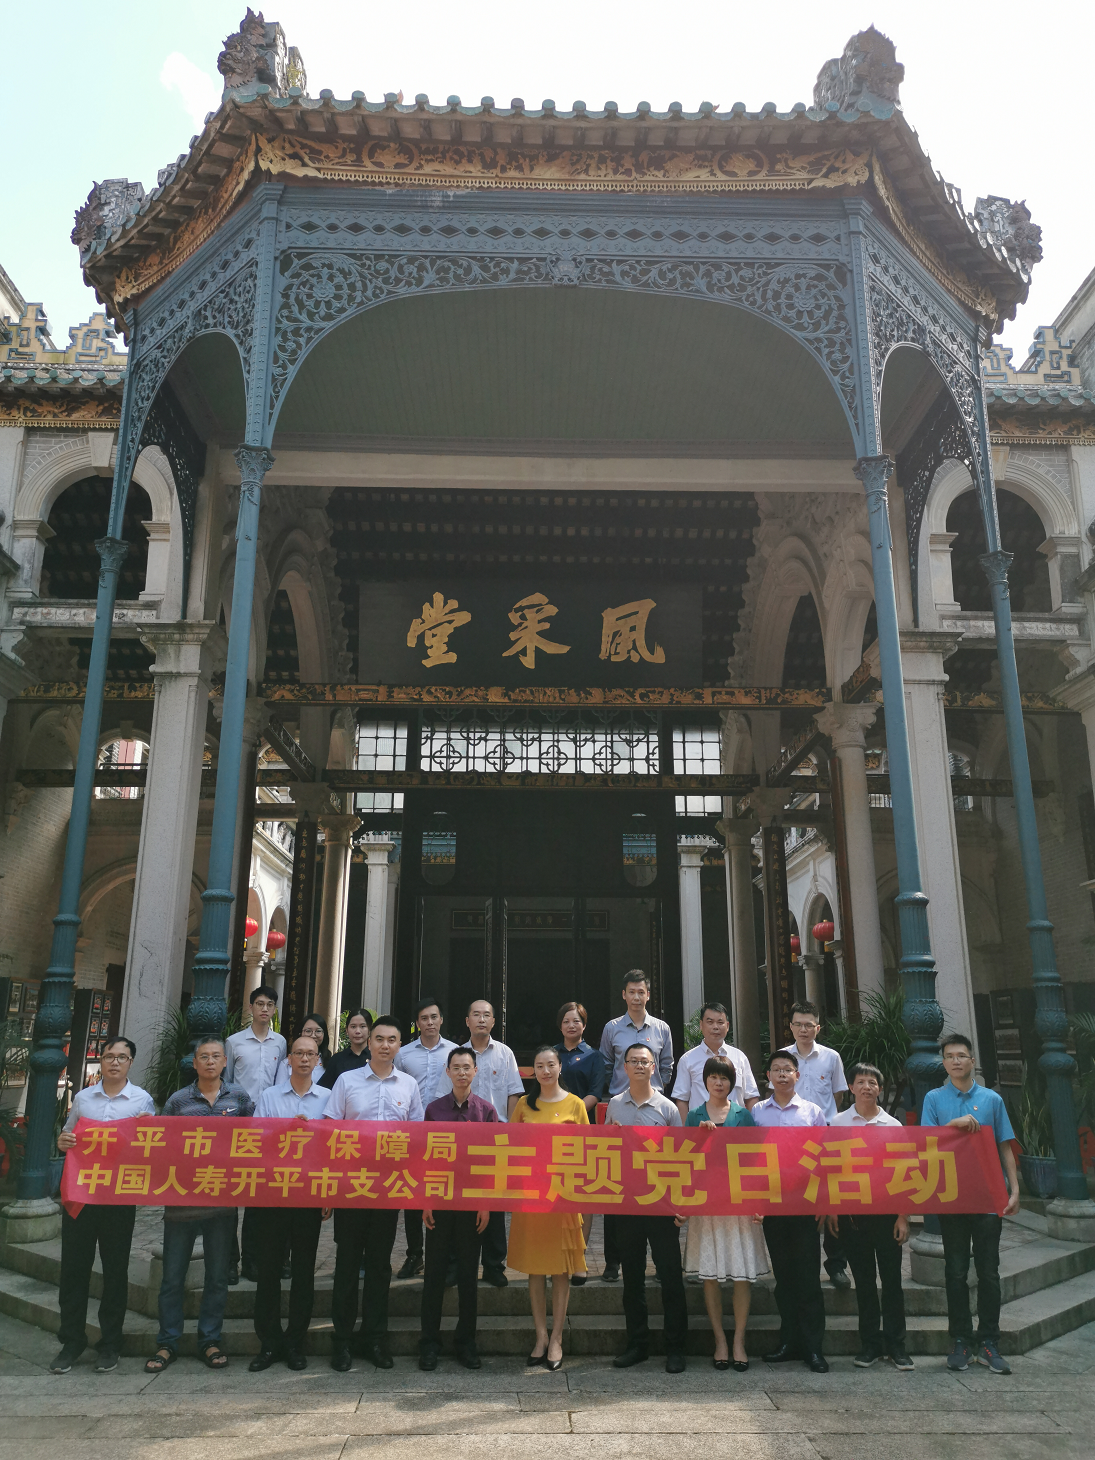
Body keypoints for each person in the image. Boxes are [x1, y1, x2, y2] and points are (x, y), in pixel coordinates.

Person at [144, 1037, 255, 1374]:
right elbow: (161, 1144)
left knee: (217, 1277)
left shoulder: (239, 1098)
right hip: (181, 1203)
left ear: (225, 1062)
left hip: (221, 1203)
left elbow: (256, 1140)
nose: (209, 1062)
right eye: (203, 1057)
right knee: (172, 1278)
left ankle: (210, 1339)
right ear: (194, 1063)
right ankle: (168, 1342)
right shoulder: (178, 1101)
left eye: (215, 1056)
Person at [49, 1036, 155, 1375]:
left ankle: (110, 1343)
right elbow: (68, 1137)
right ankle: (71, 1341)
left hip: (118, 1198)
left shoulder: (142, 1101)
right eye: (109, 1056)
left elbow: (150, 1147)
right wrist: (64, 1141)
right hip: (81, 1196)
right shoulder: (83, 1098)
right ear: (102, 1060)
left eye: (122, 1057)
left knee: (115, 1271)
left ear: (130, 1063)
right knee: (74, 1269)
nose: (114, 1062)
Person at [324, 1015, 423, 1371]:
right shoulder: (347, 1081)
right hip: (351, 1188)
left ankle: (375, 1339)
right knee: (347, 1264)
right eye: (379, 1038)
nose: (384, 1045)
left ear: (399, 1046)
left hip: (388, 1189)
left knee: (380, 1266)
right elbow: (330, 1133)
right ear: (369, 1043)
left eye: (391, 1040)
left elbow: (416, 1138)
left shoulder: (409, 1085)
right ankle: (342, 1341)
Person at [922, 1033, 1020, 1376]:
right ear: (944, 1062)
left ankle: (989, 1341)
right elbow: (926, 1143)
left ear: (972, 1061)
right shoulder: (934, 1099)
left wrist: (1014, 1190)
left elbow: (1004, 1145)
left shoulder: (992, 1099)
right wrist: (954, 1125)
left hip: (989, 1197)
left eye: (961, 1055)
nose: (956, 1061)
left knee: (989, 1272)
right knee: (956, 1271)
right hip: (952, 1197)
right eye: (950, 1056)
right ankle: (961, 1340)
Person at [250, 1034, 332, 1371]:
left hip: (309, 1194)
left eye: (310, 1054)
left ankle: (296, 1342)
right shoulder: (270, 1096)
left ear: (318, 1060)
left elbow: (333, 1147)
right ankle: (269, 1343)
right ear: (288, 1059)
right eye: (298, 1053)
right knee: (269, 1269)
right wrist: (285, 1130)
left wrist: (327, 1193)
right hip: (273, 1193)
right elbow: (255, 1140)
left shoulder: (328, 1098)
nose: (304, 1059)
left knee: (303, 1270)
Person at [606, 1042, 688, 1373]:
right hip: (627, 1203)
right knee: (632, 1277)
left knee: (670, 1275)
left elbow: (681, 1157)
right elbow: (607, 1152)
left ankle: (675, 1347)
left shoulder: (668, 1108)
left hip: (661, 1203)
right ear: (624, 1067)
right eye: (634, 1061)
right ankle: (637, 1344)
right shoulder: (615, 1105)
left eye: (645, 1061)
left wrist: (680, 1201)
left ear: (654, 1068)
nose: (639, 1066)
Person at [683, 1056, 769, 1371]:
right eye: (713, 1077)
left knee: (742, 1275)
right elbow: (686, 1162)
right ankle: (720, 1339)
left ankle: (739, 1341)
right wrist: (700, 1139)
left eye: (724, 1078)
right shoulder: (693, 1116)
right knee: (709, 1276)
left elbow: (754, 1160)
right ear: (704, 1081)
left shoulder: (743, 1115)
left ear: (732, 1083)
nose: (719, 1083)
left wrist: (759, 1202)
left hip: (738, 1204)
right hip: (707, 1205)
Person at [433, 997, 525, 1287]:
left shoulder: (505, 1053)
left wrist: (509, 1133)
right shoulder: (457, 1055)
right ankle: (455, 1265)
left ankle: (494, 1265)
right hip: (459, 1142)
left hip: (495, 1140)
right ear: (467, 1021)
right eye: (476, 1014)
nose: (481, 1019)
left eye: (487, 1015)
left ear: (494, 1021)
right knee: (457, 1203)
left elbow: (513, 1093)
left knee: (493, 1203)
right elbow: (442, 1096)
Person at [828, 1062, 913, 1371]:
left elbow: (905, 1173)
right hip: (853, 1216)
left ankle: (897, 1345)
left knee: (892, 1282)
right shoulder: (837, 1123)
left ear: (880, 1088)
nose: (867, 1087)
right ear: (851, 1087)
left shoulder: (893, 1126)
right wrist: (833, 1209)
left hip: (887, 1215)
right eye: (861, 1082)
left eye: (872, 1082)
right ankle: (870, 1345)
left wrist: (903, 1216)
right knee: (863, 1282)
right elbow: (830, 1170)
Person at [510, 1045, 589, 1369]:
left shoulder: (576, 1104)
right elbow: (511, 1147)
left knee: (560, 1269)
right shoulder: (524, 1105)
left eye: (550, 1065)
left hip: (563, 1197)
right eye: (539, 1066)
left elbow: (586, 1150)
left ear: (560, 1068)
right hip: (531, 1196)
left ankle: (557, 1338)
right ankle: (540, 1336)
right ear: (533, 1071)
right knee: (535, 1267)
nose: (545, 1071)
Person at [419, 1047, 498, 1371]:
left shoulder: (486, 1112)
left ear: (475, 1071)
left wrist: (485, 1203)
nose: (462, 1073)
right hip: (439, 1202)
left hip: (471, 1204)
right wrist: (426, 1201)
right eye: (457, 1067)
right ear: (448, 1071)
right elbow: (425, 1158)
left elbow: (492, 1161)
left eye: (467, 1067)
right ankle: (429, 1343)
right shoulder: (434, 1110)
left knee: (468, 1275)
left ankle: (466, 1343)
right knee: (434, 1275)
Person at [752, 1050, 829, 1373]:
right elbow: (749, 1158)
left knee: (808, 1276)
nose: (782, 1074)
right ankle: (789, 1341)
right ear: (768, 1076)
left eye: (787, 1069)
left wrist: (823, 1201)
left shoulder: (812, 1112)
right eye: (776, 1069)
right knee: (783, 1277)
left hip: (805, 1205)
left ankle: (813, 1348)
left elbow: (824, 1159)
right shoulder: (757, 1113)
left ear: (798, 1075)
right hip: (772, 1206)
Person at [599, 971, 674, 1284]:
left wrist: (651, 1090)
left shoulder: (661, 1028)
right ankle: (613, 1261)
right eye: (631, 991)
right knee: (616, 1186)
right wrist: (618, 1097)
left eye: (641, 992)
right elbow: (606, 1065)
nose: (636, 997)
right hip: (622, 1111)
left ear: (648, 995)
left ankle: (660, 1262)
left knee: (654, 1185)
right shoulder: (612, 1028)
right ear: (624, 994)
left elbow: (666, 1066)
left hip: (653, 1113)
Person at [781, 1000, 851, 1291]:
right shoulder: (783, 1057)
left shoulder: (831, 1057)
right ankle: (800, 1262)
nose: (803, 1029)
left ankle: (836, 1265)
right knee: (801, 1198)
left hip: (826, 1136)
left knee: (832, 1198)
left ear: (818, 1027)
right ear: (791, 1026)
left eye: (809, 1025)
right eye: (798, 1024)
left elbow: (838, 1096)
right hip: (794, 1141)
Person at [226, 985, 287, 1283]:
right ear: (250, 1007)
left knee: (257, 1193)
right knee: (231, 1192)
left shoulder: (281, 1043)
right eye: (259, 1003)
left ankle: (252, 1260)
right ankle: (230, 1260)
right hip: (240, 1125)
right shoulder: (234, 1042)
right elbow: (227, 1082)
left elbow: (281, 1082)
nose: (264, 1009)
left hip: (270, 1128)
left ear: (274, 1009)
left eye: (270, 1004)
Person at [395, 997, 457, 1279]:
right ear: (417, 1023)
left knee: (443, 1193)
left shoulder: (455, 1052)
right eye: (424, 1018)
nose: (430, 1023)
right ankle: (414, 1254)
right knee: (412, 1194)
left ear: (441, 1019)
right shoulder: (403, 1054)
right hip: (414, 1132)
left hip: (447, 1134)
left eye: (434, 1017)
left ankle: (443, 1256)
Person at [554, 1001, 607, 1287]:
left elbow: (595, 1093)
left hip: (583, 1132)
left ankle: (578, 1259)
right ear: (560, 1025)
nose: (571, 1025)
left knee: (584, 1198)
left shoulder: (594, 1056)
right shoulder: (551, 1054)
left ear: (584, 1025)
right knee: (557, 1196)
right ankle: (557, 1257)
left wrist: (570, 1114)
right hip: (552, 1133)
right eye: (566, 1021)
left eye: (576, 1021)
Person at [672, 1001, 760, 1118]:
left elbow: (751, 1096)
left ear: (727, 1026)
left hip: (735, 1125)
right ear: (701, 1025)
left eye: (720, 1022)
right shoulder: (688, 1059)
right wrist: (686, 1127)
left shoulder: (740, 1057)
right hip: (701, 1125)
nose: (715, 1027)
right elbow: (682, 1099)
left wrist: (750, 1126)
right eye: (710, 1022)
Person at [319, 1007, 372, 1089]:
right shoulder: (337, 1060)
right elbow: (324, 1089)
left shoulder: (376, 1058)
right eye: (353, 1027)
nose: (357, 1031)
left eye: (362, 1026)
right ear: (347, 1030)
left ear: (370, 1030)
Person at [275, 1013, 330, 1083]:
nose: (313, 1035)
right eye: (308, 1031)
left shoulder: (330, 1063)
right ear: (300, 1033)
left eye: (318, 1031)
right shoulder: (286, 1063)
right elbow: (279, 1088)